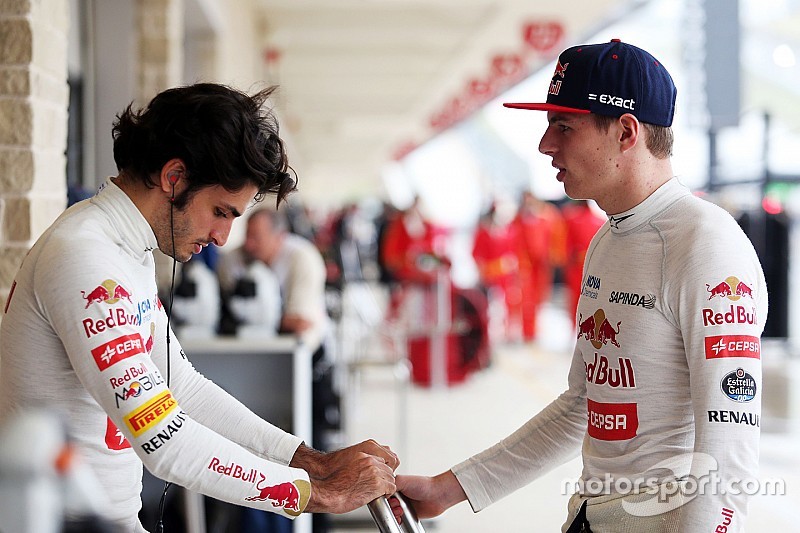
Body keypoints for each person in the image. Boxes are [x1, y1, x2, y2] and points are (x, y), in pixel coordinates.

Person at [392, 39, 767, 532]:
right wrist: (449, 489)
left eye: (562, 126)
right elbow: (582, 405)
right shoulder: (607, 240)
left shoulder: (708, 246)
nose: (546, 144)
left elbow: (728, 449)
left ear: (626, 132)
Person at [0, 83, 398, 532]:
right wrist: (318, 494)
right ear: (174, 178)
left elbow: (180, 384)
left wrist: (307, 460)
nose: (224, 238)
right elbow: (163, 440)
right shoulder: (86, 255)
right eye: (221, 212)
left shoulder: (125, 248)